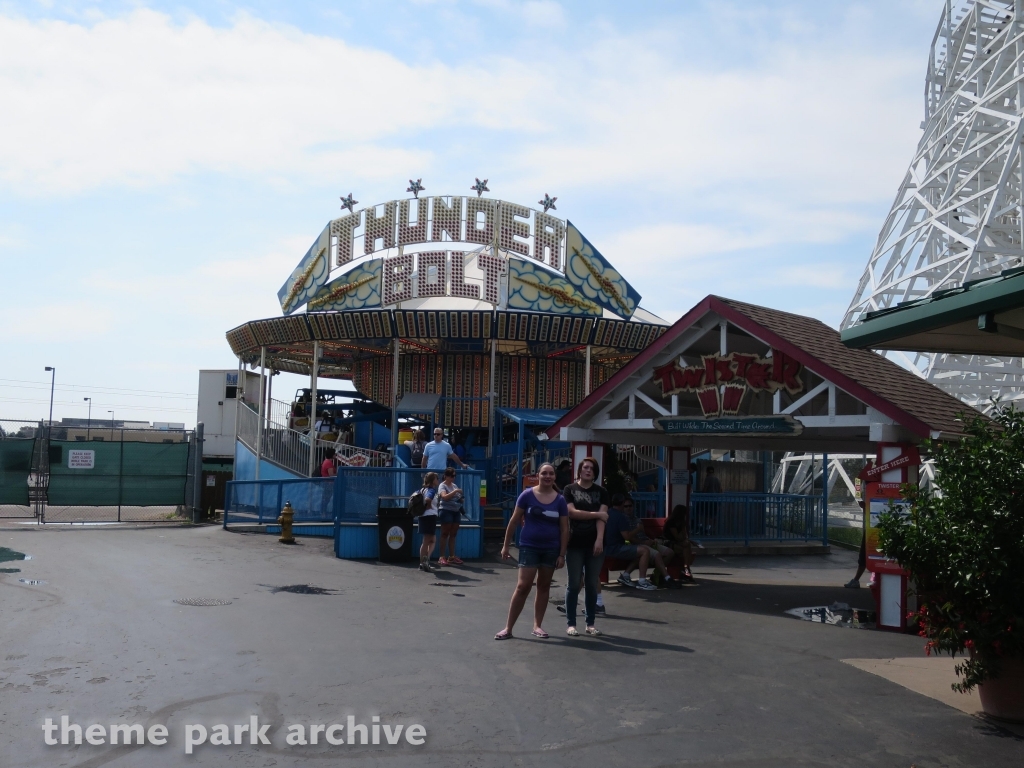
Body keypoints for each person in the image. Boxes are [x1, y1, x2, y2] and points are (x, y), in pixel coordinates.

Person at [496, 463, 568, 640]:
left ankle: (537, 626)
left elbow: (564, 529)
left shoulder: (560, 500)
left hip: (551, 549)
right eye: (544, 473)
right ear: (538, 475)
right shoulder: (527, 495)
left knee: (543, 586)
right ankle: (508, 628)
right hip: (529, 547)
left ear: (555, 477)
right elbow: (514, 521)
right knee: (523, 586)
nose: (548, 476)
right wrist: (506, 545)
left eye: (551, 473)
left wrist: (561, 554)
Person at [562, 457, 608, 636]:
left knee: (591, 583)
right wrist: (597, 514)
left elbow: (603, 518)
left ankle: (590, 624)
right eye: (585, 467)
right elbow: (571, 513)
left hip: (595, 544)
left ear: (595, 473)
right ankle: (571, 624)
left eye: (592, 468)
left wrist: (599, 539)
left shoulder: (602, 492)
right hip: (574, 543)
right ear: (579, 470)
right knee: (573, 584)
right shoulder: (569, 489)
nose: (588, 470)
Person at [606, 495, 681, 590]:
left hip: (641, 542)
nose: (628, 508)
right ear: (622, 505)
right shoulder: (621, 518)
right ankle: (659, 579)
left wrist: (649, 540)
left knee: (669, 552)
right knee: (646, 551)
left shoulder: (633, 518)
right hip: (624, 546)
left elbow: (641, 534)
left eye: (630, 506)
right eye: (626, 506)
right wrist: (639, 532)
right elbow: (628, 537)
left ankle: (657, 575)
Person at [437, 467, 464, 566]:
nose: (453, 478)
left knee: (453, 534)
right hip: (446, 510)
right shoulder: (442, 485)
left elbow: (459, 498)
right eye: (452, 476)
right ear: (446, 476)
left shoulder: (454, 485)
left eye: (454, 476)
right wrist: (455, 492)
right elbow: (444, 497)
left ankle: (452, 556)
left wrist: (461, 498)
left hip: (455, 511)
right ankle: (441, 556)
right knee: (445, 533)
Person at [663, 504, 696, 582]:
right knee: (686, 549)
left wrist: (687, 540)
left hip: (678, 543)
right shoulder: (671, 522)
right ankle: (686, 568)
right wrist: (684, 539)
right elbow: (677, 537)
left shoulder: (682, 522)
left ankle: (685, 569)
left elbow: (684, 535)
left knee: (686, 547)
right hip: (669, 543)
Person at [417, 472, 440, 572]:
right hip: (429, 517)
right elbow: (427, 499)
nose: (438, 480)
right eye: (436, 478)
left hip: (423, 516)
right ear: (432, 480)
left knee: (431, 540)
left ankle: (424, 562)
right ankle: (423, 562)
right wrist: (429, 505)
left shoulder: (422, 490)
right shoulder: (431, 490)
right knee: (427, 540)